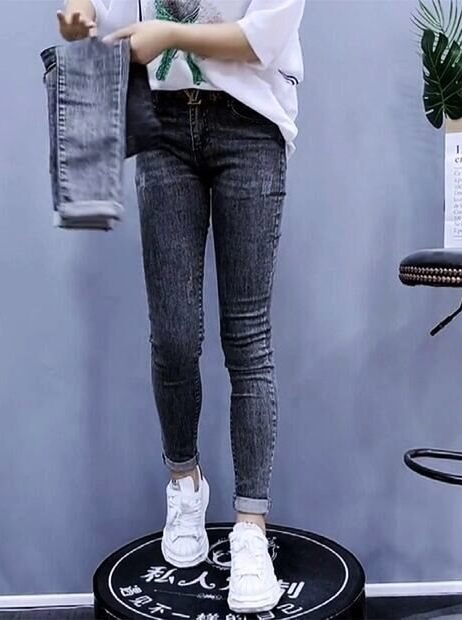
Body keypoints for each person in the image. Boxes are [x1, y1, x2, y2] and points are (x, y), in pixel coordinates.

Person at [57, 0, 304, 613]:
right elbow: (111, 14)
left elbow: (265, 36)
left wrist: (169, 33)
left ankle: (250, 527)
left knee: (247, 338)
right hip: (163, 128)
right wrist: (83, 17)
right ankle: (185, 483)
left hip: (250, 124)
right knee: (172, 336)